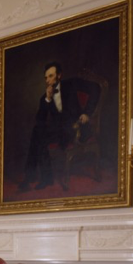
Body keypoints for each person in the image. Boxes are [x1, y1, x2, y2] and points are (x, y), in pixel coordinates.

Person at [21, 62, 101, 191]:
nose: (48, 80)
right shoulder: (45, 97)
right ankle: (40, 178)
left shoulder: (72, 83)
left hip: (76, 128)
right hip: (59, 131)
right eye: (46, 77)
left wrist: (87, 112)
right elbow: (39, 119)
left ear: (59, 75)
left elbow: (96, 88)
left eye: (51, 76)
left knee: (38, 136)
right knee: (37, 132)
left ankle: (36, 177)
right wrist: (47, 98)